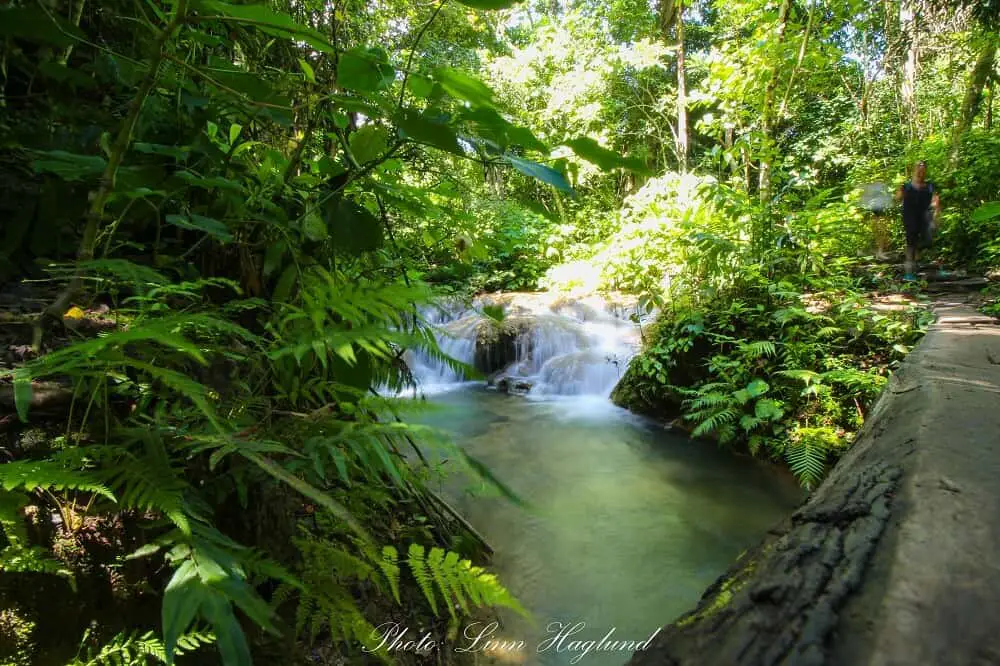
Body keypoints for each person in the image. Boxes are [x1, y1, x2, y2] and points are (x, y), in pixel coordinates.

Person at [894, 160, 941, 281]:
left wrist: (936, 214)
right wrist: (899, 192)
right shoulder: (906, 186)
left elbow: (936, 201)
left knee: (928, 241)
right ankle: (909, 273)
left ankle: (921, 259)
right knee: (911, 243)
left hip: (925, 217)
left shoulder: (930, 186)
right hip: (910, 217)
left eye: (923, 169)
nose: (921, 172)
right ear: (914, 171)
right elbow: (897, 199)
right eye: (918, 169)